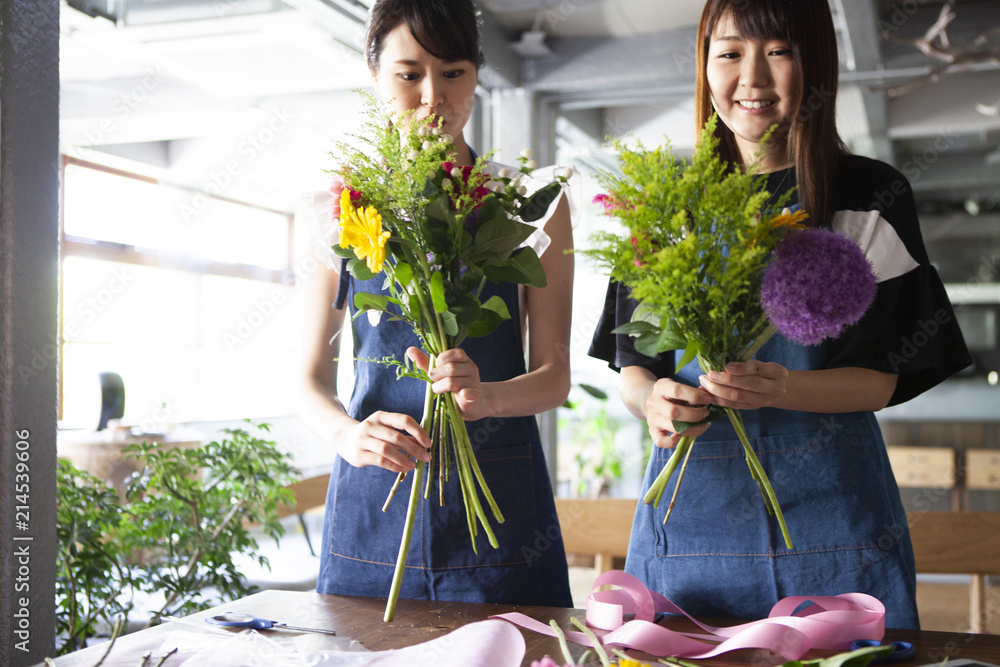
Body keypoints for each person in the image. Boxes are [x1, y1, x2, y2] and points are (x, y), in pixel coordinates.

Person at [589, 0, 971, 630]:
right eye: (731, 53)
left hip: (836, 521)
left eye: (779, 52)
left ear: (816, 64)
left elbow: (888, 375)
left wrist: (788, 387)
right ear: (705, 66)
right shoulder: (666, 203)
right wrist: (652, 400)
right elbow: (634, 364)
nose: (752, 79)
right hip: (690, 516)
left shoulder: (869, 199)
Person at [298, 0, 574, 607]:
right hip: (375, 502)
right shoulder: (339, 206)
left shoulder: (530, 201)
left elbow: (556, 377)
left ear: (477, 74)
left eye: (454, 73)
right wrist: (348, 437)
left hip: (497, 505)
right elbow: (307, 379)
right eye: (408, 74)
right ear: (374, 75)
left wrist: (489, 397)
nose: (433, 97)